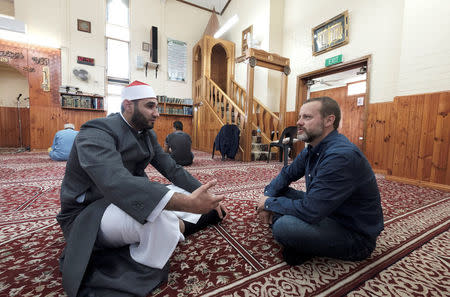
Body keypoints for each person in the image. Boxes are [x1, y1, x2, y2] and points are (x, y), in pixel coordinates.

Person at [56, 80, 227, 297]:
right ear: (128, 105)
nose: (157, 113)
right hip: (91, 211)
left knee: (187, 198)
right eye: (150, 106)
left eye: (156, 107)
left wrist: (205, 195)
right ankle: (151, 249)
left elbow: (172, 169)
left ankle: (177, 227)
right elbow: (116, 182)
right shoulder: (96, 131)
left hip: (125, 201)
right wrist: (189, 204)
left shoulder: (146, 134)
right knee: (163, 219)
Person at [256, 96, 384, 265]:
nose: (299, 122)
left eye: (307, 117)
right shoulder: (313, 147)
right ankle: (305, 242)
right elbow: (287, 174)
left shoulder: (340, 156)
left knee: (284, 226)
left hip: (354, 234)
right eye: (300, 117)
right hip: (327, 211)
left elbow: (311, 211)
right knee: (280, 191)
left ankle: (302, 242)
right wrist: (268, 197)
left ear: (329, 120)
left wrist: (269, 204)